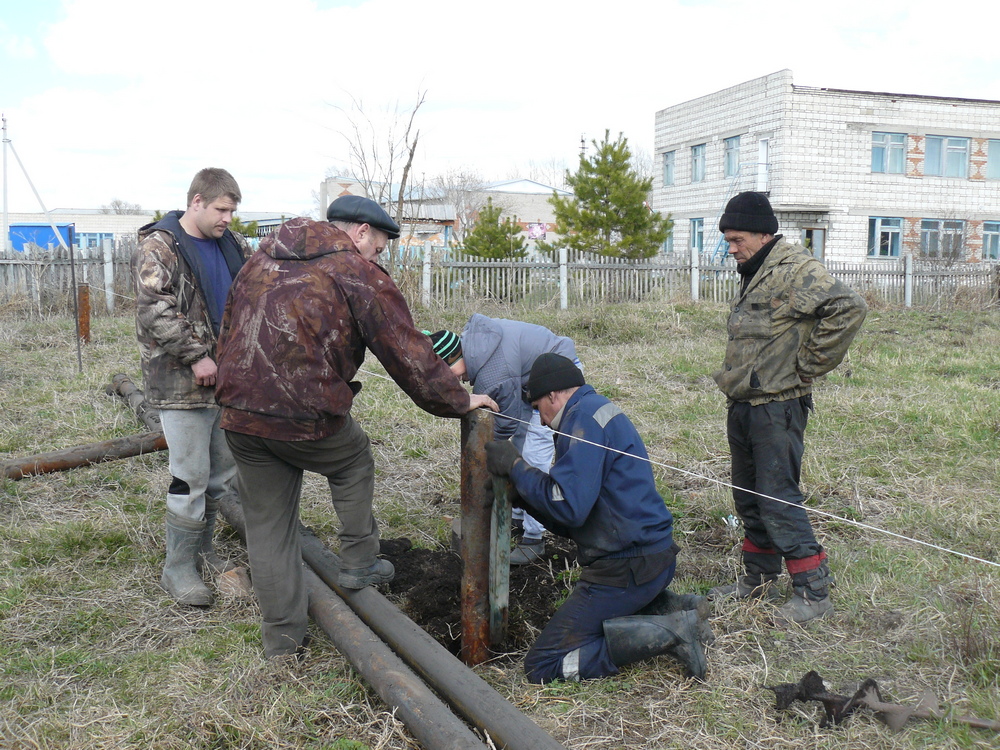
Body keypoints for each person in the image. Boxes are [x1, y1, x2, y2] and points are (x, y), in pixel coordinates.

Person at [215, 196, 498, 659]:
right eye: (380, 247)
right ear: (362, 232)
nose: (378, 257)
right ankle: (360, 562)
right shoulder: (354, 270)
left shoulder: (262, 257)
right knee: (353, 459)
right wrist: (458, 399)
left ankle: (282, 644)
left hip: (240, 413)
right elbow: (405, 350)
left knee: (268, 527)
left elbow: (228, 327)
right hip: (305, 414)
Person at [484, 353, 709, 684]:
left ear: (552, 395)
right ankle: (666, 608)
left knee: (542, 665)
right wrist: (524, 496)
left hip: (627, 569)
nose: (541, 421)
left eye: (537, 408)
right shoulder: (593, 411)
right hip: (652, 559)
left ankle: (669, 631)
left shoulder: (582, 422)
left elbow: (568, 507)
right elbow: (573, 520)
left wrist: (518, 468)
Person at [709, 191, 867, 626]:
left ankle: (813, 592)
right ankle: (757, 580)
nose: (731, 247)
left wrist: (808, 364)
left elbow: (849, 307)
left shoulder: (795, 268)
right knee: (748, 497)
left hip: (777, 407)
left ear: (764, 234)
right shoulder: (755, 269)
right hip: (743, 403)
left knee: (777, 498)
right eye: (727, 239)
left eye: (738, 239)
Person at [133, 167, 252, 606]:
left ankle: (206, 550)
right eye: (222, 209)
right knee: (189, 476)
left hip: (228, 380)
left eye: (233, 210)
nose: (228, 218)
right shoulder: (159, 246)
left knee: (222, 474)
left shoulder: (233, 245)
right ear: (196, 201)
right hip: (181, 381)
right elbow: (154, 309)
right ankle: (177, 567)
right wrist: (197, 355)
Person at [426, 313, 582, 564]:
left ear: (454, 356)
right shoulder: (477, 347)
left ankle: (534, 538)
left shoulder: (493, 371)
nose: (454, 380)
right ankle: (519, 512)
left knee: (533, 454)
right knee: (520, 443)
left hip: (558, 378)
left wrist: (484, 451)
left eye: (449, 373)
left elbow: (505, 423)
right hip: (527, 380)